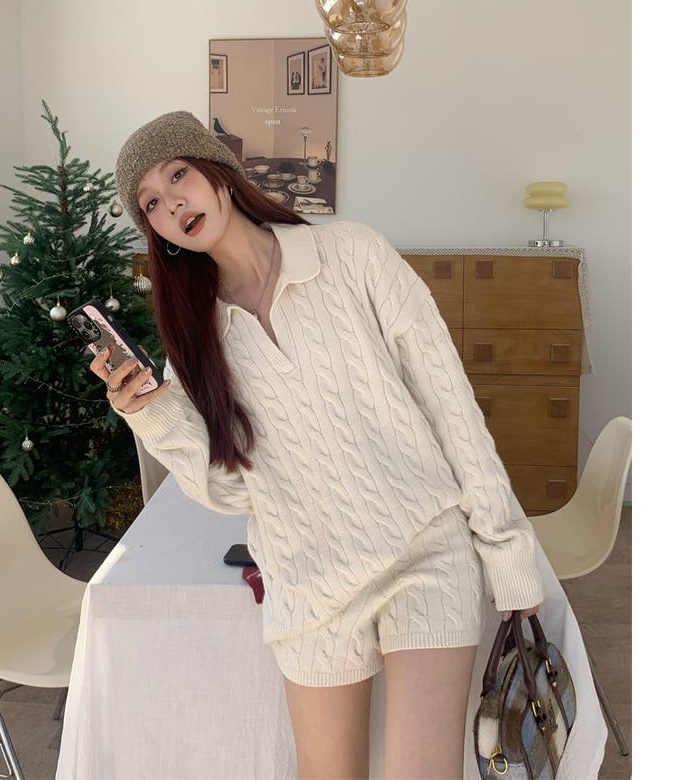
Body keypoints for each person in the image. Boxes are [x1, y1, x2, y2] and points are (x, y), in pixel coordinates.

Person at [92, 110, 544, 779]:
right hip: (307, 582)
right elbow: (235, 490)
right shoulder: (193, 341)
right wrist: (154, 416)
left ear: (219, 172)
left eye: (178, 175)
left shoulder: (353, 255)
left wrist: (507, 549)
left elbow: (453, 412)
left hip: (423, 551)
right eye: (151, 203)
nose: (172, 204)